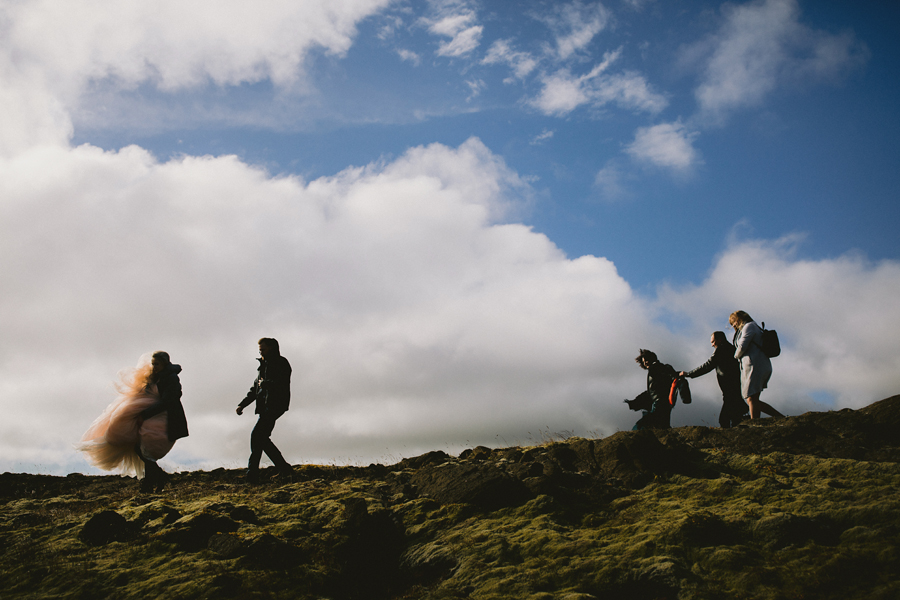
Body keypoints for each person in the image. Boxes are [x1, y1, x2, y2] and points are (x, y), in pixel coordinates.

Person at [78, 351, 188, 492]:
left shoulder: (171, 379)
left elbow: (168, 400)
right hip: (154, 415)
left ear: (165, 364)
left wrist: (145, 413)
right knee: (139, 447)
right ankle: (157, 480)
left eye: (157, 364)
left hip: (166, 418)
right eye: (153, 364)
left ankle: (153, 482)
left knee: (145, 448)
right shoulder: (157, 377)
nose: (154, 367)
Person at [237, 337, 294, 483]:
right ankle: (284, 470)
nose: (260, 350)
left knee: (257, 436)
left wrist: (266, 384)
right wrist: (242, 404)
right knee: (261, 438)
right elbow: (255, 388)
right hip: (264, 406)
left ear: (272, 348)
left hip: (275, 405)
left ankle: (253, 475)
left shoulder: (281, 363)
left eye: (262, 348)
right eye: (259, 348)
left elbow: (282, 383)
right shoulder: (263, 365)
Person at [679, 332, 749, 428]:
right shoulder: (731, 348)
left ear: (720, 339)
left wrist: (689, 374)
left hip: (728, 386)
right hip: (734, 385)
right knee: (734, 415)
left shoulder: (721, 350)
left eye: (713, 342)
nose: (712, 345)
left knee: (724, 419)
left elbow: (708, 365)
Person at [730, 310, 784, 420]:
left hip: (755, 365)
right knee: (752, 398)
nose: (733, 325)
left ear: (739, 319)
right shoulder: (750, 327)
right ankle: (778, 417)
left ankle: (755, 422)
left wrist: (735, 357)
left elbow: (742, 346)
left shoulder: (749, 326)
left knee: (752, 397)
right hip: (751, 365)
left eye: (733, 322)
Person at [626, 349, 679, 430]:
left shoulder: (657, 367)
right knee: (663, 425)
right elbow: (653, 390)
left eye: (646, 360)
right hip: (663, 403)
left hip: (660, 402)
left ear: (652, 359)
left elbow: (669, 377)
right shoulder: (659, 368)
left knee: (642, 425)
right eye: (643, 362)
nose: (645, 363)